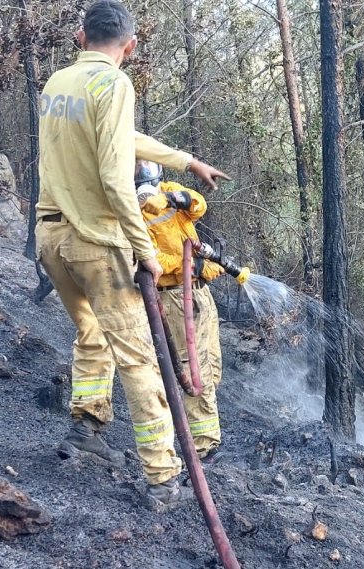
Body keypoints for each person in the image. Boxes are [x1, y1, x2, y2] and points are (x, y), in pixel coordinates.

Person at [35, 0, 228, 510]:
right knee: (139, 359)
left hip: (49, 239)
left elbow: (121, 138)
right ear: (131, 45)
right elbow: (115, 178)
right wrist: (143, 249)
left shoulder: (58, 84)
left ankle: (86, 429)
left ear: (81, 37)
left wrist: (184, 160)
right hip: (95, 244)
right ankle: (162, 477)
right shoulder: (115, 85)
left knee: (90, 331)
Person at [135, 161, 227, 464]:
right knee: (192, 369)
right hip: (175, 296)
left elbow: (198, 206)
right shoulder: (129, 213)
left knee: (211, 364)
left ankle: (208, 437)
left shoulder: (169, 191)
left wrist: (180, 199)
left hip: (201, 295)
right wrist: (189, 266)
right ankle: (202, 446)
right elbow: (147, 258)